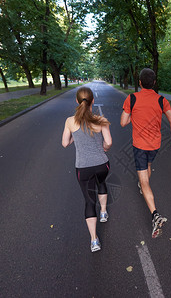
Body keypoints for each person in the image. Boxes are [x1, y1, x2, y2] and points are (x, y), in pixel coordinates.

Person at [120, 68, 171, 238]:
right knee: (149, 165)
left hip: (139, 145)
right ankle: (143, 187)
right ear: (154, 83)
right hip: (155, 145)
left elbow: (123, 122)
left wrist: (134, 115)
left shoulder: (132, 98)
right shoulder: (161, 100)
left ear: (139, 83)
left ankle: (155, 215)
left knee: (143, 180)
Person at [62, 86, 112, 252]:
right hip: (102, 165)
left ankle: (94, 240)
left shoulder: (70, 121)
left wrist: (75, 139)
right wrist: (104, 148)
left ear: (77, 101)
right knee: (102, 183)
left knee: (89, 201)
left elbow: (64, 143)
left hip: (83, 168)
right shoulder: (101, 120)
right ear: (93, 101)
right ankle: (104, 212)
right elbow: (109, 142)